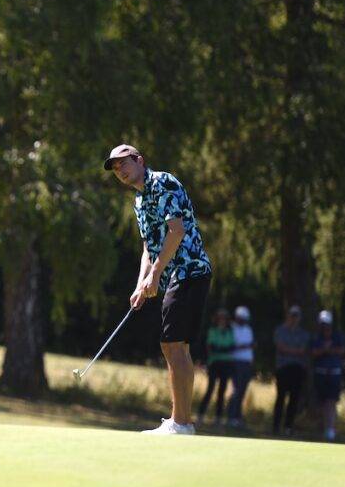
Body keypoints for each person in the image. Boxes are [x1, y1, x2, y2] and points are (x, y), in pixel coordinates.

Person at [104, 144, 212, 436]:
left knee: (172, 343)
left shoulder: (162, 182)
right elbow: (148, 247)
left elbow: (176, 232)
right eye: (115, 169)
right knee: (177, 345)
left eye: (124, 164)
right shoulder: (139, 201)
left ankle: (181, 422)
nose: (120, 171)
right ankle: (183, 422)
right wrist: (142, 283)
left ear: (139, 160)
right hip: (178, 274)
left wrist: (155, 275)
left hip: (189, 269)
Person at [272, 304, 309, 435]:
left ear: (299, 318)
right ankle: (276, 426)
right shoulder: (280, 330)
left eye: (296, 316)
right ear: (288, 316)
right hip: (283, 368)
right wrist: (295, 351)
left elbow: (303, 351)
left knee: (294, 399)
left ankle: (288, 427)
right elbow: (281, 348)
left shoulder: (303, 334)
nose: (294, 318)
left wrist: (289, 350)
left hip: (297, 369)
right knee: (280, 397)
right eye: (292, 315)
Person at [311, 309, 345, 441]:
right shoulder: (316, 337)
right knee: (321, 401)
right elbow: (314, 352)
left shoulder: (338, 335)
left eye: (326, 323)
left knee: (331, 401)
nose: (324, 326)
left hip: (334, 373)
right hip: (320, 373)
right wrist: (326, 350)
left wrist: (327, 350)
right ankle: (324, 428)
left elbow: (341, 351)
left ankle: (330, 430)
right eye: (322, 323)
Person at [198, 308, 235, 425]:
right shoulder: (212, 331)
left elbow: (231, 347)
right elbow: (211, 348)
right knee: (210, 389)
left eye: (224, 318)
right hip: (214, 363)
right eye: (220, 318)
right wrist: (222, 349)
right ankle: (201, 415)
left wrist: (220, 349)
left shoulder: (230, 331)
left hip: (226, 364)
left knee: (222, 391)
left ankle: (218, 417)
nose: (222, 320)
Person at [226, 305, 254, 428]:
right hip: (236, 362)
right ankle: (231, 416)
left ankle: (237, 416)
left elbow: (251, 346)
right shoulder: (231, 328)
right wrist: (245, 346)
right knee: (236, 390)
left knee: (242, 391)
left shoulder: (248, 329)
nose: (243, 320)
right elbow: (233, 346)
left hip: (247, 363)